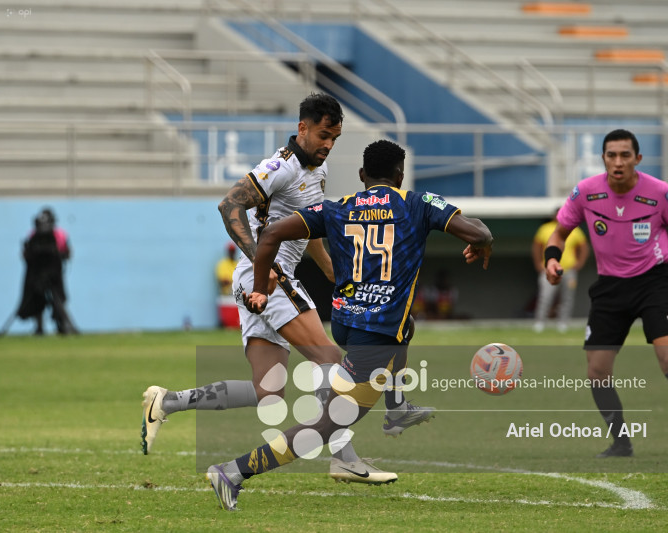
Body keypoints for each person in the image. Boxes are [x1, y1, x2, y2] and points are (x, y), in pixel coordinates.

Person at [141, 95, 431, 485]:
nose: (328, 144)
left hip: (264, 279)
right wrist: (263, 264)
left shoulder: (317, 169)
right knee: (330, 358)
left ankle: (169, 401)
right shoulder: (280, 167)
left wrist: (331, 269)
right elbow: (229, 206)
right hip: (268, 278)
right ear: (302, 128)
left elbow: (305, 227)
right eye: (323, 135)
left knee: (268, 391)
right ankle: (344, 458)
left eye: (335, 138)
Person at [205, 139, 493, 511]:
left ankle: (396, 405)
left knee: (405, 325)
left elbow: (272, 234)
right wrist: (482, 242)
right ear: (400, 176)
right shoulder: (417, 203)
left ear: (361, 176)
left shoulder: (337, 208)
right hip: (374, 336)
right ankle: (233, 471)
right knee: (327, 426)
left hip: (347, 321)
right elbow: (478, 233)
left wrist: (260, 289)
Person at [544, 129, 668, 461]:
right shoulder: (586, 193)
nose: (618, 162)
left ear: (638, 159)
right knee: (597, 371)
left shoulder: (660, 193)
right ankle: (622, 443)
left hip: (653, 284)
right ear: (603, 158)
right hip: (610, 288)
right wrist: (552, 259)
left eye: (624, 155)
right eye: (611, 155)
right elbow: (560, 232)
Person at [16, 207, 78, 335]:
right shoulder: (58, 235)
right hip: (48, 273)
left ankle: (55, 326)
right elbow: (67, 252)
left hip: (47, 273)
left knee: (55, 300)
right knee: (40, 299)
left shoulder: (41, 235)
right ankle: (62, 326)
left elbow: (27, 254)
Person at [532, 212, 589, 332]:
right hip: (549, 268)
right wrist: (539, 263)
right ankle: (540, 322)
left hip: (568, 269)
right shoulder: (545, 229)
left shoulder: (574, 229)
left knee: (567, 297)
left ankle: (563, 323)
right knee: (545, 296)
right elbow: (537, 246)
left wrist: (579, 263)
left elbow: (583, 246)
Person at [215, 242, 240, 328]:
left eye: (233, 251)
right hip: (226, 293)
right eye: (230, 251)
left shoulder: (238, 263)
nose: (232, 253)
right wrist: (233, 281)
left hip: (237, 293)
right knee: (228, 319)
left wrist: (231, 281)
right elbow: (223, 281)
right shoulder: (223, 264)